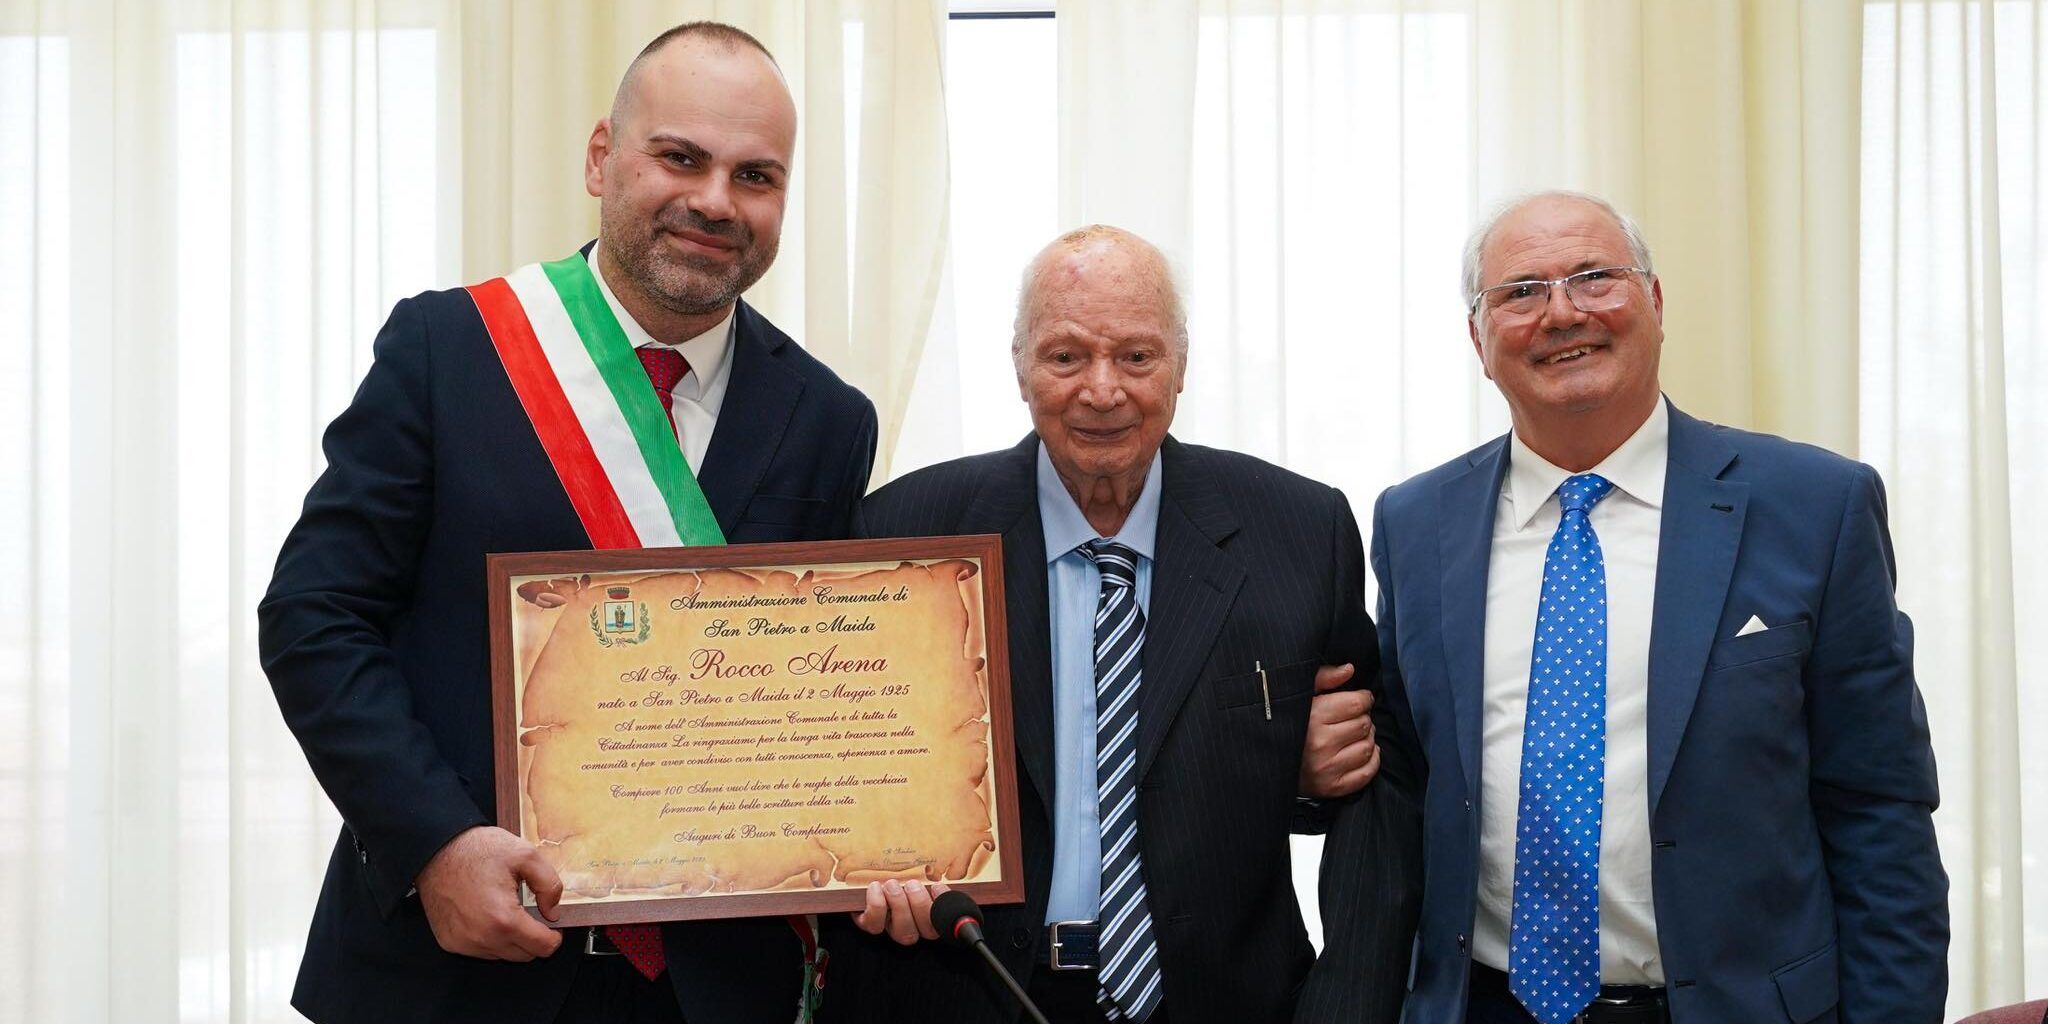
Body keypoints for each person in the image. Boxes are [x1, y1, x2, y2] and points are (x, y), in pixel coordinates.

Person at [258, 22, 878, 1024]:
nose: (714, 201)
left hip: (710, 989)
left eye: (755, 175)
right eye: (679, 157)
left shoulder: (829, 418)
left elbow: (823, 687)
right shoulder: (447, 350)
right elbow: (313, 618)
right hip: (449, 965)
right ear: (601, 156)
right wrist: (434, 843)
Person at [1309, 190, 1947, 1023]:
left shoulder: (1814, 506)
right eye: (1521, 292)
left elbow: (1880, 811)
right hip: (1484, 1004)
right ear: (1478, 338)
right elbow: (1409, 769)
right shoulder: (1414, 522)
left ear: (1653, 300)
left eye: (1595, 277)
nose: (1563, 313)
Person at [820, 225, 1421, 1024]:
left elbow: (1369, 791)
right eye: (1066, 356)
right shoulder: (906, 536)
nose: (1103, 391)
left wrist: (1345, 1005)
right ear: (1020, 366)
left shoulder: (1300, 531)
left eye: (1137, 357)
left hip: (1226, 1000)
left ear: (1180, 366)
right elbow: (849, 775)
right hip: (968, 988)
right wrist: (862, 864)